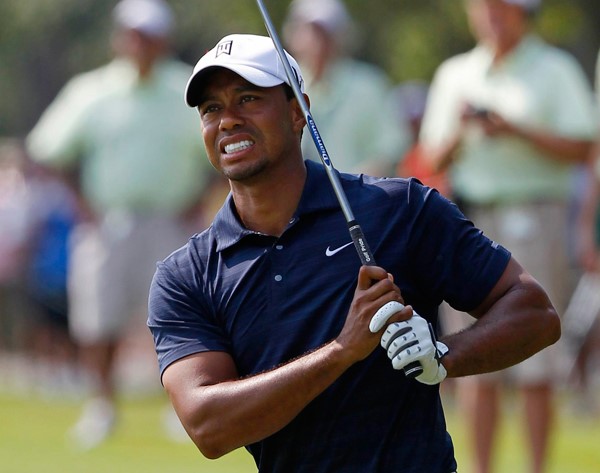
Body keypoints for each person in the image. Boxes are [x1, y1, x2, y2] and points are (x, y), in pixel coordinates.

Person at [147, 33, 560, 472]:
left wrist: (442, 355)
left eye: (248, 99)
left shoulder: (398, 209)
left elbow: (535, 313)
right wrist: (343, 350)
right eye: (211, 109)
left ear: (297, 111)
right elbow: (209, 427)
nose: (227, 120)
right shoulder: (186, 275)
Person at [418, 0, 598, 472]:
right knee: (472, 355)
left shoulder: (554, 68)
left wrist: (514, 129)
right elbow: (432, 158)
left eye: (503, 7)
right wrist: (463, 130)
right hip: (470, 218)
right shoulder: (456, 73)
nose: (493, 14)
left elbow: (583, 146)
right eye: (485, 6)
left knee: (539, 362)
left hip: (538, 213)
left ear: (524, 13)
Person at [26, 0, 213, 449]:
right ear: (119, 38)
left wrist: (200, 197)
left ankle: (181, 406)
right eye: (132, 34)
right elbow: (47, 149)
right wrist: (81, 204)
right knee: (98, 319)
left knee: (179, 315)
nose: (139, 43)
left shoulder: (185, 87)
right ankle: (102, 407)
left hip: (171, 221)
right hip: (107, 221)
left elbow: (217, 147)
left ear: (163, 39)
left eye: (148, 35)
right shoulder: (91, 91)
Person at [282, 0, 410, 176]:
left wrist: (351, 186)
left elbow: (391, 150)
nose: (315, 40)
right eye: (308, 30)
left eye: (324, 32)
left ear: (341, 36)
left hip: (363, 197)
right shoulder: (283, 87)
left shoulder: (370, 85)